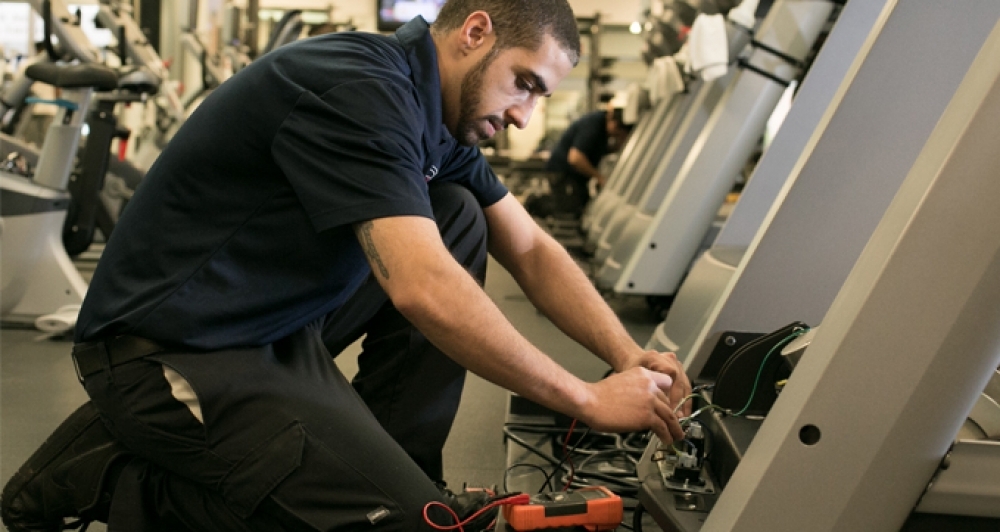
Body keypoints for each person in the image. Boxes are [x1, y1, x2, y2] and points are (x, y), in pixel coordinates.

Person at [1, 0, 691, 530]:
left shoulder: (436, 114)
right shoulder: (360, 89)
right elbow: (421, 289)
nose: (525, 117)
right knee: (409, 526)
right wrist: (586, 399)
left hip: (272, 328)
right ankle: (112, 474)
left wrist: (627, 355)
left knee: (456, 212)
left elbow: (531, 248)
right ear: (475, 33)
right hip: (170, 353)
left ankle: (401, 470)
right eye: (525, 85)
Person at [529, 106, 633, 219]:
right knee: (569, 210)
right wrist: (599, 177)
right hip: (563, 174)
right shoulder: (593, 125)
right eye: (618, 134)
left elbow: (595, 150)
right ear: (615, 124)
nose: (616, 137)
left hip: (572, 176)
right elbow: (575, 158)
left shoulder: (602, 128)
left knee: (581, 204)